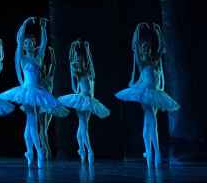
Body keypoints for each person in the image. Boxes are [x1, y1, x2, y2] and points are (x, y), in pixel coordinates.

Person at [0, 17, 61, 168]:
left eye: (31, 43)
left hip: (37, 91)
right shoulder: (22, 58)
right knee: (32, 120)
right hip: (26, 91)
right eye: (26, 43)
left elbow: (45, 42)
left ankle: (29, 152)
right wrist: (26, 22)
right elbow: (19, 40)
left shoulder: (39, 57)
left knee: (29, 126)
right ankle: (38, 152)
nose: (28, 45)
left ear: (34, 45)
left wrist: (43, 27)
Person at [115, 23, 179, 167]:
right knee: (149, 122)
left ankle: (154, 152)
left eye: (148, 48)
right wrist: (137, 31)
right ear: (142, 50)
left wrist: (158, 32)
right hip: (144, 91)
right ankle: (152, 152)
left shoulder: (155, 60)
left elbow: (162, 48)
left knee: (150, 121)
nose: (146, 49)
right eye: (144, 48)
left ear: (150, 49)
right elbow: (135, 49)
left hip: (153, 91)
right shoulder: (141, 62)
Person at [60, 39, 110, 163]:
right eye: (77, 59)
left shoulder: (89, 72)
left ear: (83, 60)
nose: (78, 60)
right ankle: (89, 151)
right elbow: (74, 86)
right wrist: (72, 49)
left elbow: (90, 62)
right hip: (81, 100)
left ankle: (81, 150)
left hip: (90, 100)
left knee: (81, 128)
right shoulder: (77, 72)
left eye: (80, 59)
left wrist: (87, 49)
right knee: (83, 126)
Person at [38, 46, 71, 160]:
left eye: (44, 67)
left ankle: (45, 149)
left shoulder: (49, 77)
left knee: (44, 128)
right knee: (42, 128)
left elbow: (54, 65)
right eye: (42, 68)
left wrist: (52, 53)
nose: (44, 69)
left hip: (50, 104)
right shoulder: (38, 80)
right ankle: (45, 149)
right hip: (41, 104)